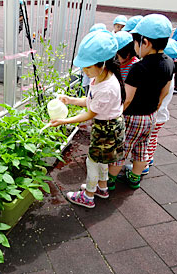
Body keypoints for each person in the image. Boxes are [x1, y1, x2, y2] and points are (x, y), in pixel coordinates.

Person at [50, 30, 125, 208]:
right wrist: (70, 100)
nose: (84, 71)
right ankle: (102, 187)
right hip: (108, 125)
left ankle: (88, 196)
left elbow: (90, 113)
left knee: (92, 161)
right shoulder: (100, 77)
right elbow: (90, 101)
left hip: (106, 129)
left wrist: (64, 121)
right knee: (103, 160)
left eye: (88, 67)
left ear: (103, 63)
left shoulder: (107, 87)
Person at [108, 14, 174, 190]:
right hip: (151, 115)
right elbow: (164, 92)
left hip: (132, 117)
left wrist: (116, 115)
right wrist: (154, 109)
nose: (135, 47)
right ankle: (135, 179)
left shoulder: (138, 68)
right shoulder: (169, 63)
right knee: (142, 149)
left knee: (121, 149)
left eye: (136, 42)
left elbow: (128, 98)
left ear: (146, 43)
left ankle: (110, 181)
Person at [145, 39, 177, 172]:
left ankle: (143, 165)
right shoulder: (170, 73)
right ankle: (149, 159)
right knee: (152, 139)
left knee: (147, 140)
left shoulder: (164, 75)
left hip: (156, 115)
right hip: (161, 115)